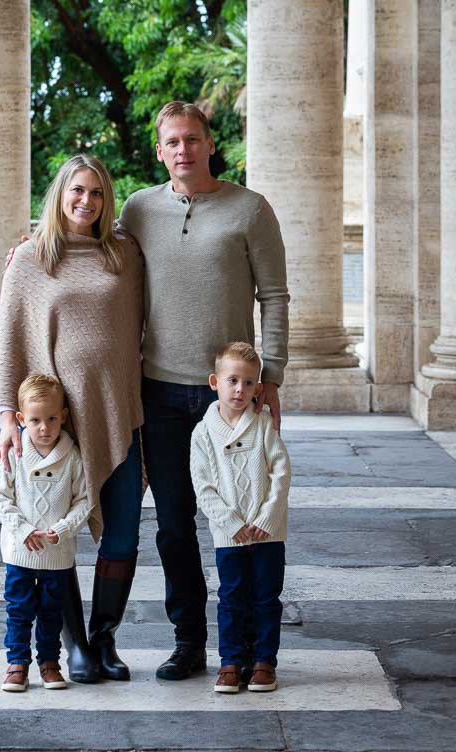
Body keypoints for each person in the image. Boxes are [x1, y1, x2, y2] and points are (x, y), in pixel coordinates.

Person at [119, 100, 289, 681]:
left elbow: (275, 296)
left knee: (245, 520)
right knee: (173, 525)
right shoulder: (138, 210)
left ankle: (247, 646)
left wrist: (273, 376)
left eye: (193, 138)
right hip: (160, 392)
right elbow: (98, 259)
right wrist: (35, 248)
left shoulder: (249, 209)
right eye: (172, 141)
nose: (183, 149)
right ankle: (189, 640)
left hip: (233, 400)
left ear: (209, 143)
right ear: (159, 151)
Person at [0, 154, 144, 684]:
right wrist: (10, 417)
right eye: (78, 190)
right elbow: (9, 336)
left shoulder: (125, 254)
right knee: (56, 534)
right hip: (55, 425)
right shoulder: (30, 259)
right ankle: (74, 648)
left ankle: (104, 640)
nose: (86, 201)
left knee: (121, 535)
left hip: (117, 411)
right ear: (60, 194)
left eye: (97, 193)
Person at [190, 342, 291, 694]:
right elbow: (203, 487)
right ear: (215, 382)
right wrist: (232, 523)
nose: (240, 390)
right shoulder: (203, 433)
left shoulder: (263, 425)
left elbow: (281, 473)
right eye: (233, 381)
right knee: (231, 597)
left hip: (268, 532)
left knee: (266, 596)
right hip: (229, 534)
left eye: (249, 383)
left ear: (259, 388)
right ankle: (231, 661)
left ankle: (264, 661)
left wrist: (266, 517)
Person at [0, 373, 90, 692]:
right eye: (35, 420)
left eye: (51, 419)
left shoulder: (72, 457)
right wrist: (22, 530)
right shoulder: (14, 454)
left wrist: (62, 528)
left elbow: (84, 499)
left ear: (63, 416)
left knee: (51, 612)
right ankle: (17, 663)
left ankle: (50, 663)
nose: (44, 428)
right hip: (20, 552)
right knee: (19, 610)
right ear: (21, 419)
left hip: (56, 554)